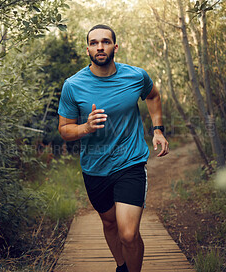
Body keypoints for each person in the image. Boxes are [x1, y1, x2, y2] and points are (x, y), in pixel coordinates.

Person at [57, 24, 169, 272]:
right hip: (95, 167)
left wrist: (158, 130)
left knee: (128, 234)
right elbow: (65, 130)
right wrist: (86, 127)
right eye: (94, 42)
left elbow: (153, 96)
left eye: (105, 42)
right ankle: (122, 267)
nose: (100, 47)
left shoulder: (136, 76)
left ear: (115, 47)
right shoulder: (73, 85)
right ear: (87, 48)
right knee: (109, 223)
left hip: (130, 163)